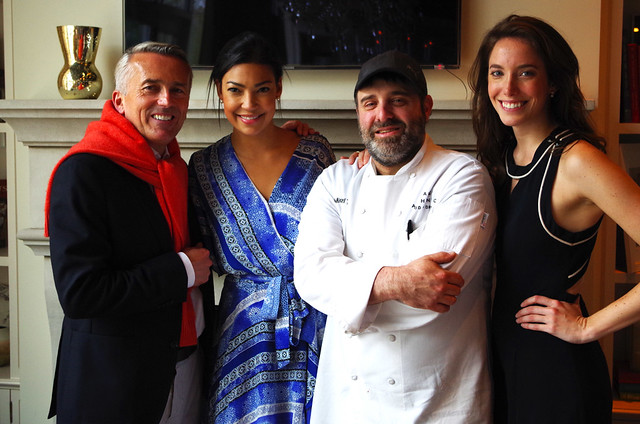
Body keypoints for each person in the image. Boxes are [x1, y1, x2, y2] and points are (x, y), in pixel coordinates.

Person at [293, 50, 497, 423]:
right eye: (369, 103)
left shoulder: (462, 176)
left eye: (398, 101)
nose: (382, 114)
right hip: (349, 402)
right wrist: (399, 281)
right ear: (358, 113)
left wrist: (346, 293)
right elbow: (309, 276)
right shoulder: (336, 180)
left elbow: (435, 291)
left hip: (438, 401)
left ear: (426, 107)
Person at [468, 14, 640, 423]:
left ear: (553, 83)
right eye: (497, 73)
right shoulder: (502, 158)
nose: (508, 88)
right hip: (504, 360)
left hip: (556, 372)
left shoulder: (577, 161)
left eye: (526, 73)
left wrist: (587, 327)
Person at [45, 42, 213, 424]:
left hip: (187, 365)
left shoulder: (176, 167)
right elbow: (81, 294)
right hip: (114, 384)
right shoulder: (83, 171)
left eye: (178, 90)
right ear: (120, 101)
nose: (166, 100)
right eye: (151, 88)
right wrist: (182, 269)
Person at [188, 32, 335, 423]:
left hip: (313, 322)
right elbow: (202, 262)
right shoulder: (203, 168)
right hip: (240, 329)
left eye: (262, 89)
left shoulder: (315, 153)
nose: (249, 104)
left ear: (278, 90)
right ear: (220, 92)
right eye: (235, 90)